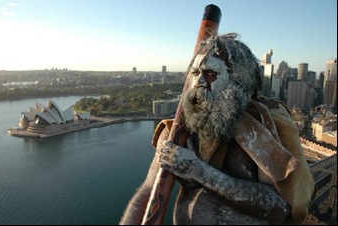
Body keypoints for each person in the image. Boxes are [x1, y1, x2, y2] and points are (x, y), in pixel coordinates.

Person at [119, 33, 315, 225]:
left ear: (239, 82)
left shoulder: (257, 130)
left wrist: (199, 171)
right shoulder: (177, 132)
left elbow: (278, 209)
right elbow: (147, 191)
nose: (198, 83)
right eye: (195, 73)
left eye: (211, 74)